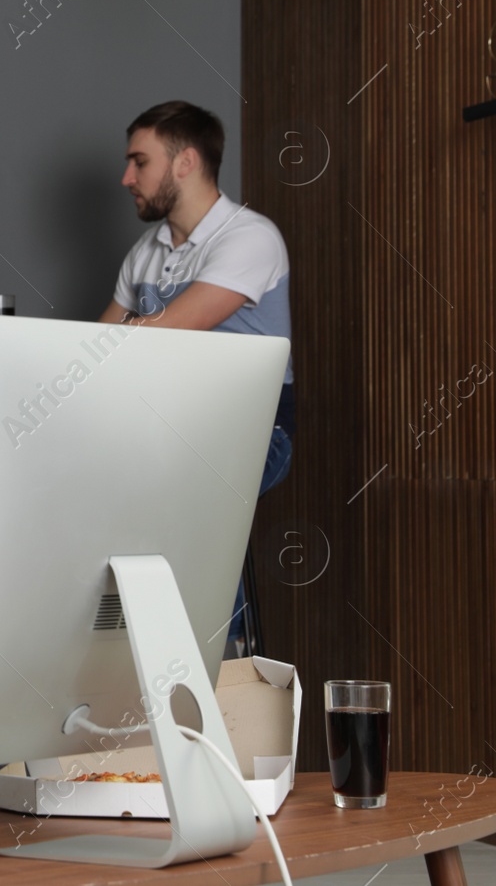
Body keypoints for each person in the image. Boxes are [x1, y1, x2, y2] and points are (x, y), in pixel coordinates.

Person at [97, 100, 294, 647]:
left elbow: (173, 327)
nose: (126, 178)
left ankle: (218, 666)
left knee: (185, 493)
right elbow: (93, 352)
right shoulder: (145, 252)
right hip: (167, 427)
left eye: (140, 162)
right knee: (78, 484)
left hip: (255, 430)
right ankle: (123, 665)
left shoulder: (249, 237)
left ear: (184, 162)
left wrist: (127, 331)